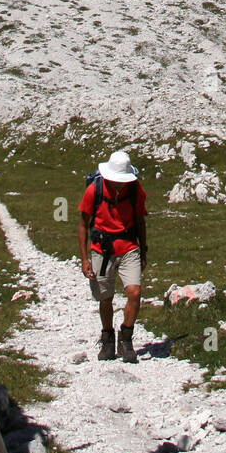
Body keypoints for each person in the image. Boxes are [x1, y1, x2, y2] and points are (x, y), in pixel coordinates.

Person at [77, 150, 148, 363]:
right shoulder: (94, 190)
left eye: (122, 181)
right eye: (116, 181)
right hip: (101, 249)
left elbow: (140, 221)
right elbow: (82, 224)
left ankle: (126, 339)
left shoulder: (135, 190)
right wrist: (84, 258)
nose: (119, 185)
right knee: (105, 297)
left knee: (134, 292)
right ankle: (107, 338)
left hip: (128, 248)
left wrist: (143, 250)